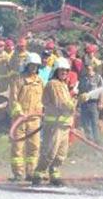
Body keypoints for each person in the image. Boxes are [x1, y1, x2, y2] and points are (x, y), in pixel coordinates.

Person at [32, 58, 76, 186]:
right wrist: (77, 102)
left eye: (66, 70)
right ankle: (38, 174)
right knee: (50, 152)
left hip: (64, 125)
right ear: (56, 70)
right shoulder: (53, 84)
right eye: (62, 70)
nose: (64, 72)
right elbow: (61, 103)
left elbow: (67, 104)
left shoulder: (63, 85)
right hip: (54, 125)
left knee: (61, 154)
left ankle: (54, 174)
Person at [9, 52, 44, 181]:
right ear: (27, 65)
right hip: (20, 120)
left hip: (35, 120)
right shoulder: (19, 80)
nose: (34, 68)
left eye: (36, 66)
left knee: (34, 147)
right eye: (32, 65)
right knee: (18, 148)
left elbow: (44, 99)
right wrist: (19, 112)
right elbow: (13, 99)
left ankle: (31, 172)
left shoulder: (40, 81)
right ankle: (18, 174)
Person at [78, 63, 103, 143]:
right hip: (84, 104)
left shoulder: (98, 77)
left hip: (94, 103)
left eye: (89, 65)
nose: (88, 67)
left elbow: (101, 90)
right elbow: (80, 91)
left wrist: (101, 102)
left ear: (93, 67)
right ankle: (89, 142)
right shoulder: (83, 78)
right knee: (86, 125)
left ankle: (97, 142)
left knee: (95, 124)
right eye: (86, 66)